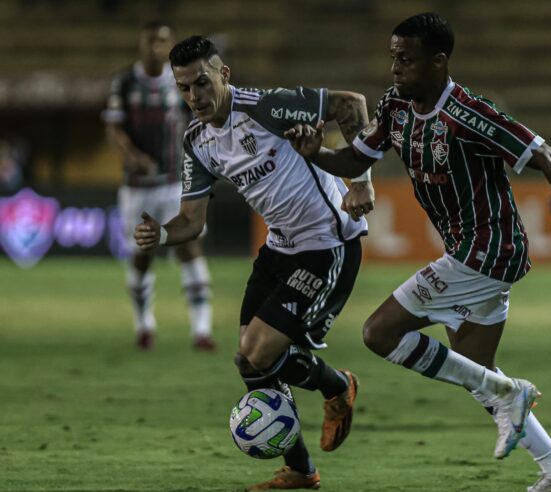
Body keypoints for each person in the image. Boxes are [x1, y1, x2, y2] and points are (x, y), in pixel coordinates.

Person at [286, 12, 551, 492]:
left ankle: (512, 397)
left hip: (489, 249)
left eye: (406, 60)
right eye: (393, 58)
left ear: (438, 61)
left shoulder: (470, 114)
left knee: (378, 333)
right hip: (472, 252)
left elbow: (550, 157)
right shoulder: (395, 107)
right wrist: (314, 155)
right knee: (477, 373)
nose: (395, 69)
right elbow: (354, 159)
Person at [134, 35, 374, 491]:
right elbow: (191, 221)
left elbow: (351, 103)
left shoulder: (265, 107)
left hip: (328, 245)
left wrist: (359, 180)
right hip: (279, 248)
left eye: (201, 83)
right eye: (184, 89)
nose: (194, 97)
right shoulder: (198, 141)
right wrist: (162, 234)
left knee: (262, 351)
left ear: (223, 75)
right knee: (248, 361)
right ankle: (302, 468)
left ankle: (335, 389)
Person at [103, 21, 215, 351]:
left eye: (162, 42)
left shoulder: (179, 82)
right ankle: (144, 324)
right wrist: (133, 156)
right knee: (142, 254)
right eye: (151, 41)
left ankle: (202, 330)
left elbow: (199, 119)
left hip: (174, 182)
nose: (156, 48)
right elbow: (114, 129)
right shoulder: (124, 82)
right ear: (142, 45)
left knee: (190, 247)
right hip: (137, 187)